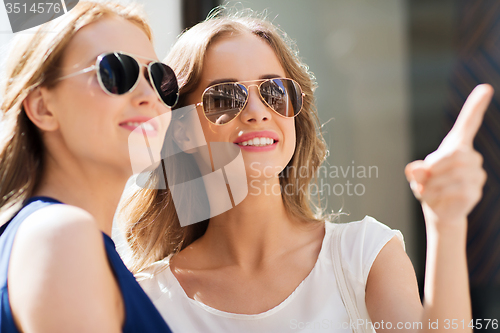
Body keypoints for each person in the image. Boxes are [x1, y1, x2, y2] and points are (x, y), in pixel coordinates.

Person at [121, 9, 493, 333]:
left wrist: (446, 222)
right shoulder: (147, 298)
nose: (257, 112)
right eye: (223, 97)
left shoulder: (363, 256)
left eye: (275, 91)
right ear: (183, 130)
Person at [0, 1, 178, 332]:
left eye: (159, 77)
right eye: (115, 72)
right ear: (42, 107)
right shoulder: (62, 235)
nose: (149, 96)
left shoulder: (58, 238)